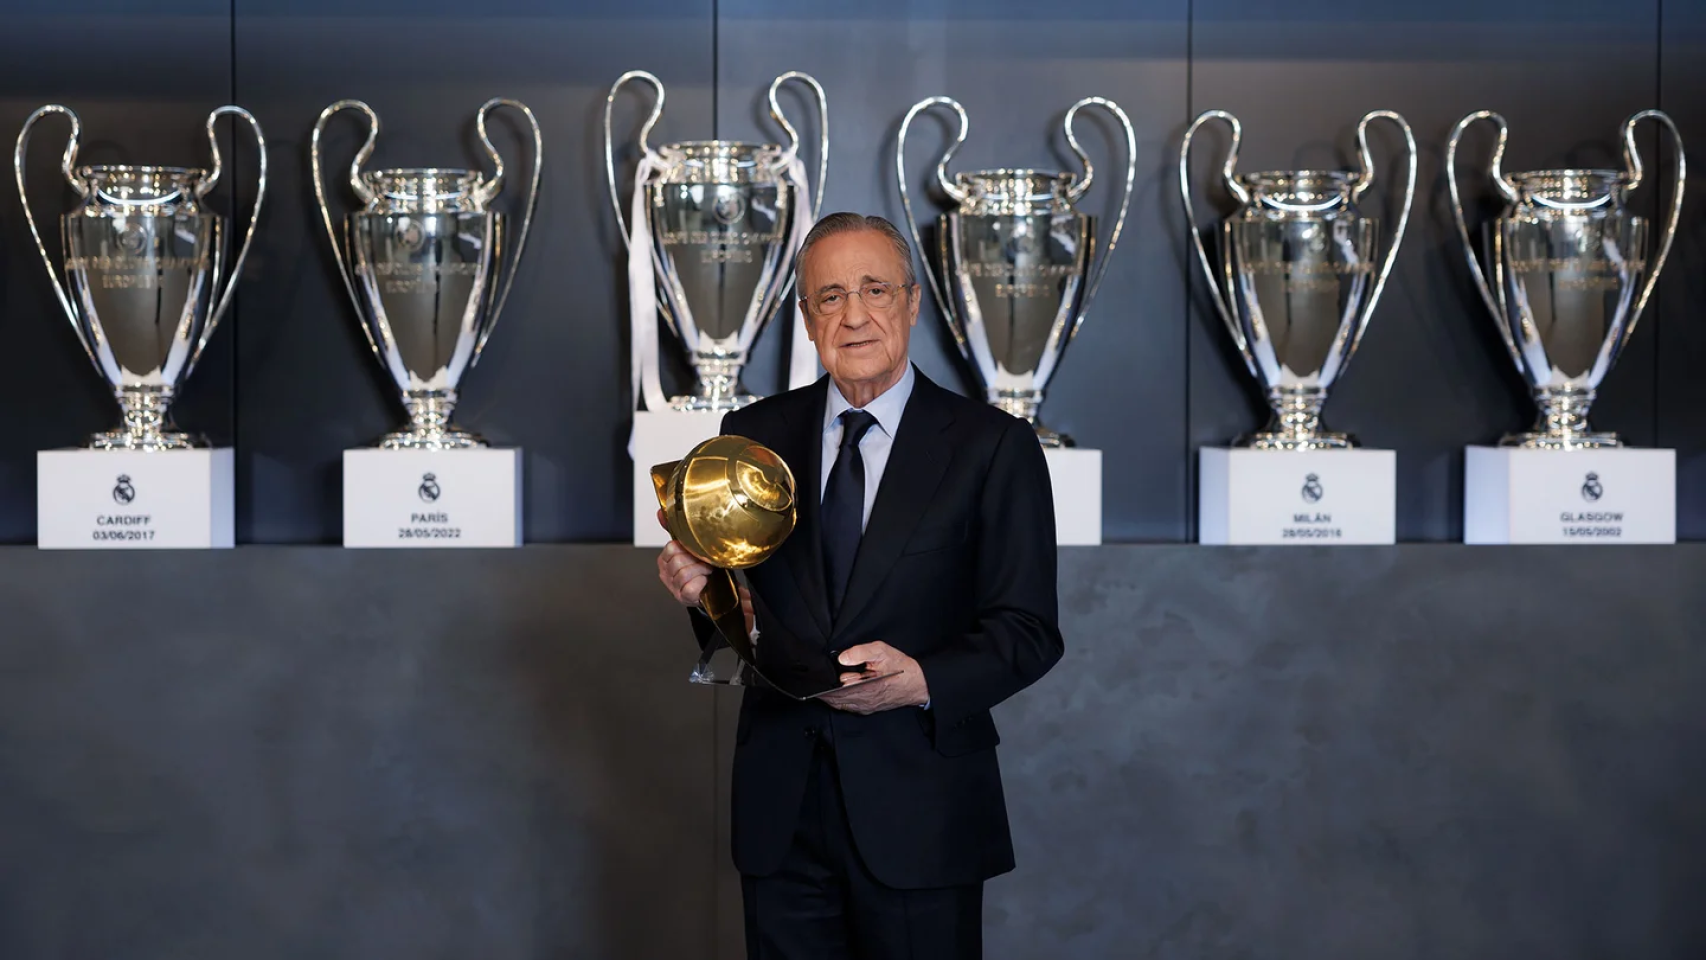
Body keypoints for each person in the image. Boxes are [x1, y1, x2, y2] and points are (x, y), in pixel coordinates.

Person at [656, 212, 1063, 959]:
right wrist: (700, 593)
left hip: (923, 812)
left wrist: (921, 680)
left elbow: (1029, 629)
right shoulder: (751, 432)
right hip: (782, 813)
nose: (855, 314)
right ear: (807, 319)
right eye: (831, 296)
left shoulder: (992, 446)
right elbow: (743, 624)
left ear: (911, 302)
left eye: (875, 289)